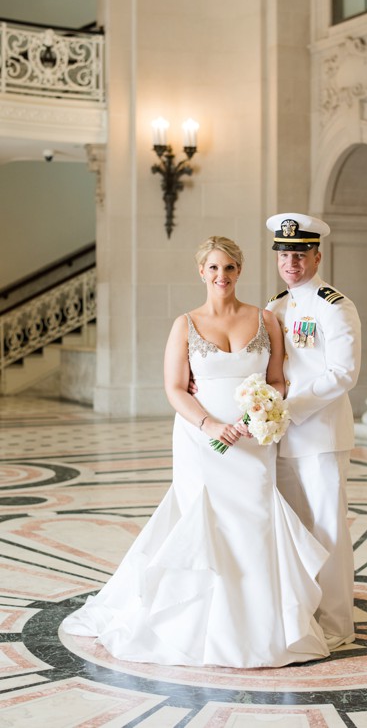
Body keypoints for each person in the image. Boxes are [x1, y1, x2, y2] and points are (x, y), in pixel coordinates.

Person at [61, 236, 331, 667]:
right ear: (201, 272)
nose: (221, 276)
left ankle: (261, 628)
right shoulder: (184, 324)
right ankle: (194, 623)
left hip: (252, 440)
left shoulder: (266, 319)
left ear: (240, 271)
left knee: (255, 521)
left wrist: (255, 415)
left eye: (229, 268)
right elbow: (173, 388)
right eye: (213, 268)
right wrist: (210, 426)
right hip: (200, 441)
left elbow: (278, 379)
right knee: (204, 521)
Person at [265, 212, 361, 648]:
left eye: (301, 253)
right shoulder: (276, 306)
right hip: (281, 436)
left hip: (319, 434)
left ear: (317, 255)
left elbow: (344, 373)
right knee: (294, 530)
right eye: (285, 253)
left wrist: (291, 408)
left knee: (328, 529)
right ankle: (304, 613)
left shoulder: (334, 304)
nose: (292, 262)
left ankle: (338, 624)